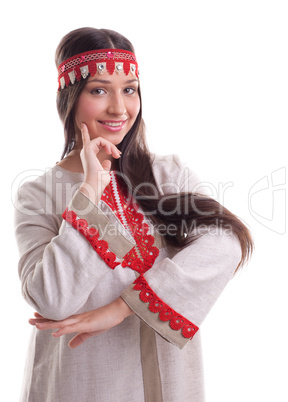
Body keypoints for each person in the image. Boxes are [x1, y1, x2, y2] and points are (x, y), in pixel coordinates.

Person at [14, 27, 253, 402]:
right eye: (98, 90)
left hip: (170, 378)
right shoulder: (38, 195)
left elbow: (226, 244)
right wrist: (90, 191)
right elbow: (51, 299)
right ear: (69, 98)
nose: (119, 108)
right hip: (83, 379)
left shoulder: (168, 175)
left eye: (129, 88)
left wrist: (122, 308)